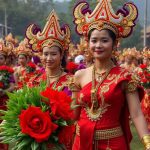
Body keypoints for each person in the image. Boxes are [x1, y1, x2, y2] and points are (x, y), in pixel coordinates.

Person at [70, 0, 150, 150]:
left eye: (104, 40)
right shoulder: (79, 76)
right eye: (94, 40)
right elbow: (73, 114)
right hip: (81, 142)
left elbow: (137, 114)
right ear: (88, 43)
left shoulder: (125, 77)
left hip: (112, 144)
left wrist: (147, 143)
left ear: (114, 44)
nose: (98, 45)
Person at [26, 10, 74, 149]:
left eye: (53, 54)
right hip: (36, 138)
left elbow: (73, 114)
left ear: (62, 55)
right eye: (45, 54)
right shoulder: (33, 81)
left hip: (63, 139)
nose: (48, 58)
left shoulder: (71, 82)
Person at [0, 39, 15, 150]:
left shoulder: (9, 71)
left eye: (1, 58)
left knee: (3, 129)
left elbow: (13, 86)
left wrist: (4, 92)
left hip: (4, 103)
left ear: (5, 59)